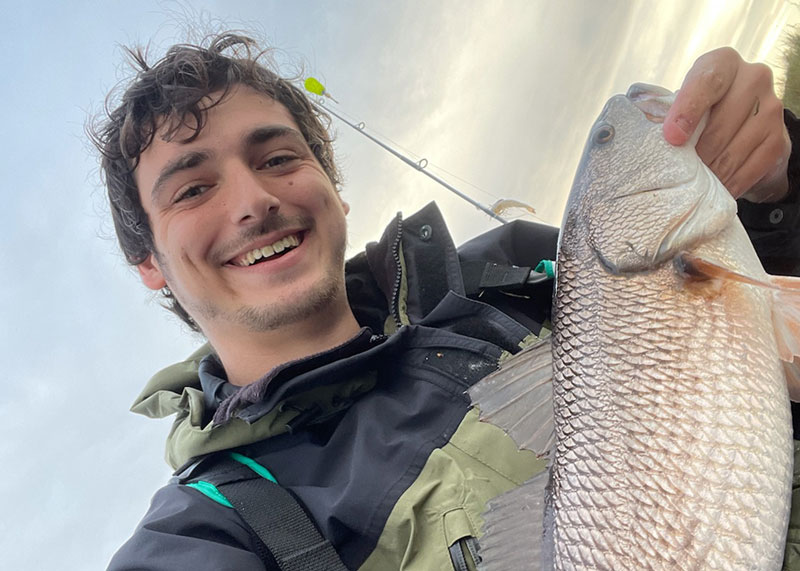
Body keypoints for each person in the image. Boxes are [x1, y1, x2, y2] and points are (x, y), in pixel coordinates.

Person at [93, 32, 800, 570]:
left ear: (332, 186)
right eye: (192, 188)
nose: (254, 200)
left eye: (278, 157)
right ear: (149, 263)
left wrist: (772, 188)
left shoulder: (523, 267)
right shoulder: (204, 531)